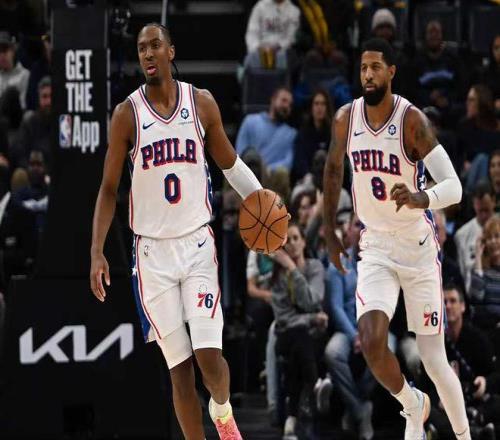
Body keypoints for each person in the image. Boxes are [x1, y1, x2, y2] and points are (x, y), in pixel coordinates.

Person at [90, 23, 266, 440]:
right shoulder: (127, 115)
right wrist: (96, 250)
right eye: (141, 48)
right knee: (180, 371)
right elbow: (109, 189)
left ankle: (222, 411)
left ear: (171, 51)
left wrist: (262, 198)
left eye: (155, 45)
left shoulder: (200, 103)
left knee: (209, 360)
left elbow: (229, 163)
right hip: (152, 256)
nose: (148, 54)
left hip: (197, 244)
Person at [323, 38, 471, 439]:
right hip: (375, 245)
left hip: (417, 246)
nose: (368, 74)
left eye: (375, 67)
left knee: (433, 359)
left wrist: (422, 197)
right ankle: (413, 403)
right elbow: (333, 171)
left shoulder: (411, 121)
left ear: (391, 72)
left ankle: (463, 436)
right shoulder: (345, 119)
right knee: (371, 341)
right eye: (363, 68)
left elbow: (455, 187)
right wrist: (329, 230)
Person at [270, 222, 327, 438]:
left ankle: (291, 420)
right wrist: (312, 318)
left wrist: (294, 270)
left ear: (304, 242)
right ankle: (316, 384)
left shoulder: (315, 268)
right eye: (287, 241)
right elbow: (284, 318)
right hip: (289, 334)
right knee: (298, 337)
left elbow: (312, 301)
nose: (292, 244)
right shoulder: (277, 276)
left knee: (298, 352)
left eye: (296, 238)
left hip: (311, 337)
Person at [236, 86, 297, 171]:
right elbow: (240, 152)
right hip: (248, 171)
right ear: (273, 99)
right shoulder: (250, 121)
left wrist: (266, 170)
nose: (286, 106)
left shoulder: (291, 133)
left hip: (272, 174)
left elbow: (288, 162)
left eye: (290, 104)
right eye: (284, 100)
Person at [455, 181, 496, 293]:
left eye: (487, 210)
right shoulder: (462, 235)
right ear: (474, 204)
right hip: (473, 294)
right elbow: (463, 273)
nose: (483, 215)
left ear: (494, 202)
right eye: (480, 211)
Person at [244, 0, 300, 70]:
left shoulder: (294, 11)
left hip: (281, 51)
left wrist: (276, 48)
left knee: (284, 57)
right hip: (259, 49)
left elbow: (290, 38)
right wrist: (258, 47)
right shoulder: (260, 6)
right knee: (251, 58)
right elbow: (252, 32)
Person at [291, 89, 332, 185]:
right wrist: (307, 175)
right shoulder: (303, 133)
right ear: (311, 107)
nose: (319, 107)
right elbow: (299, 160)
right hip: (307, 179)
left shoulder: (334, 132)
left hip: (330, 180)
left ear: (327, 108)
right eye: (316, 104)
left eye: (323, 104)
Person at [469, 216, 500, 330]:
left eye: (497, 236)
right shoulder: (481, 270)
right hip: (487, 327)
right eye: (489, 238)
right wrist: (478, 257)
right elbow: (476, 298)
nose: (493, 241)